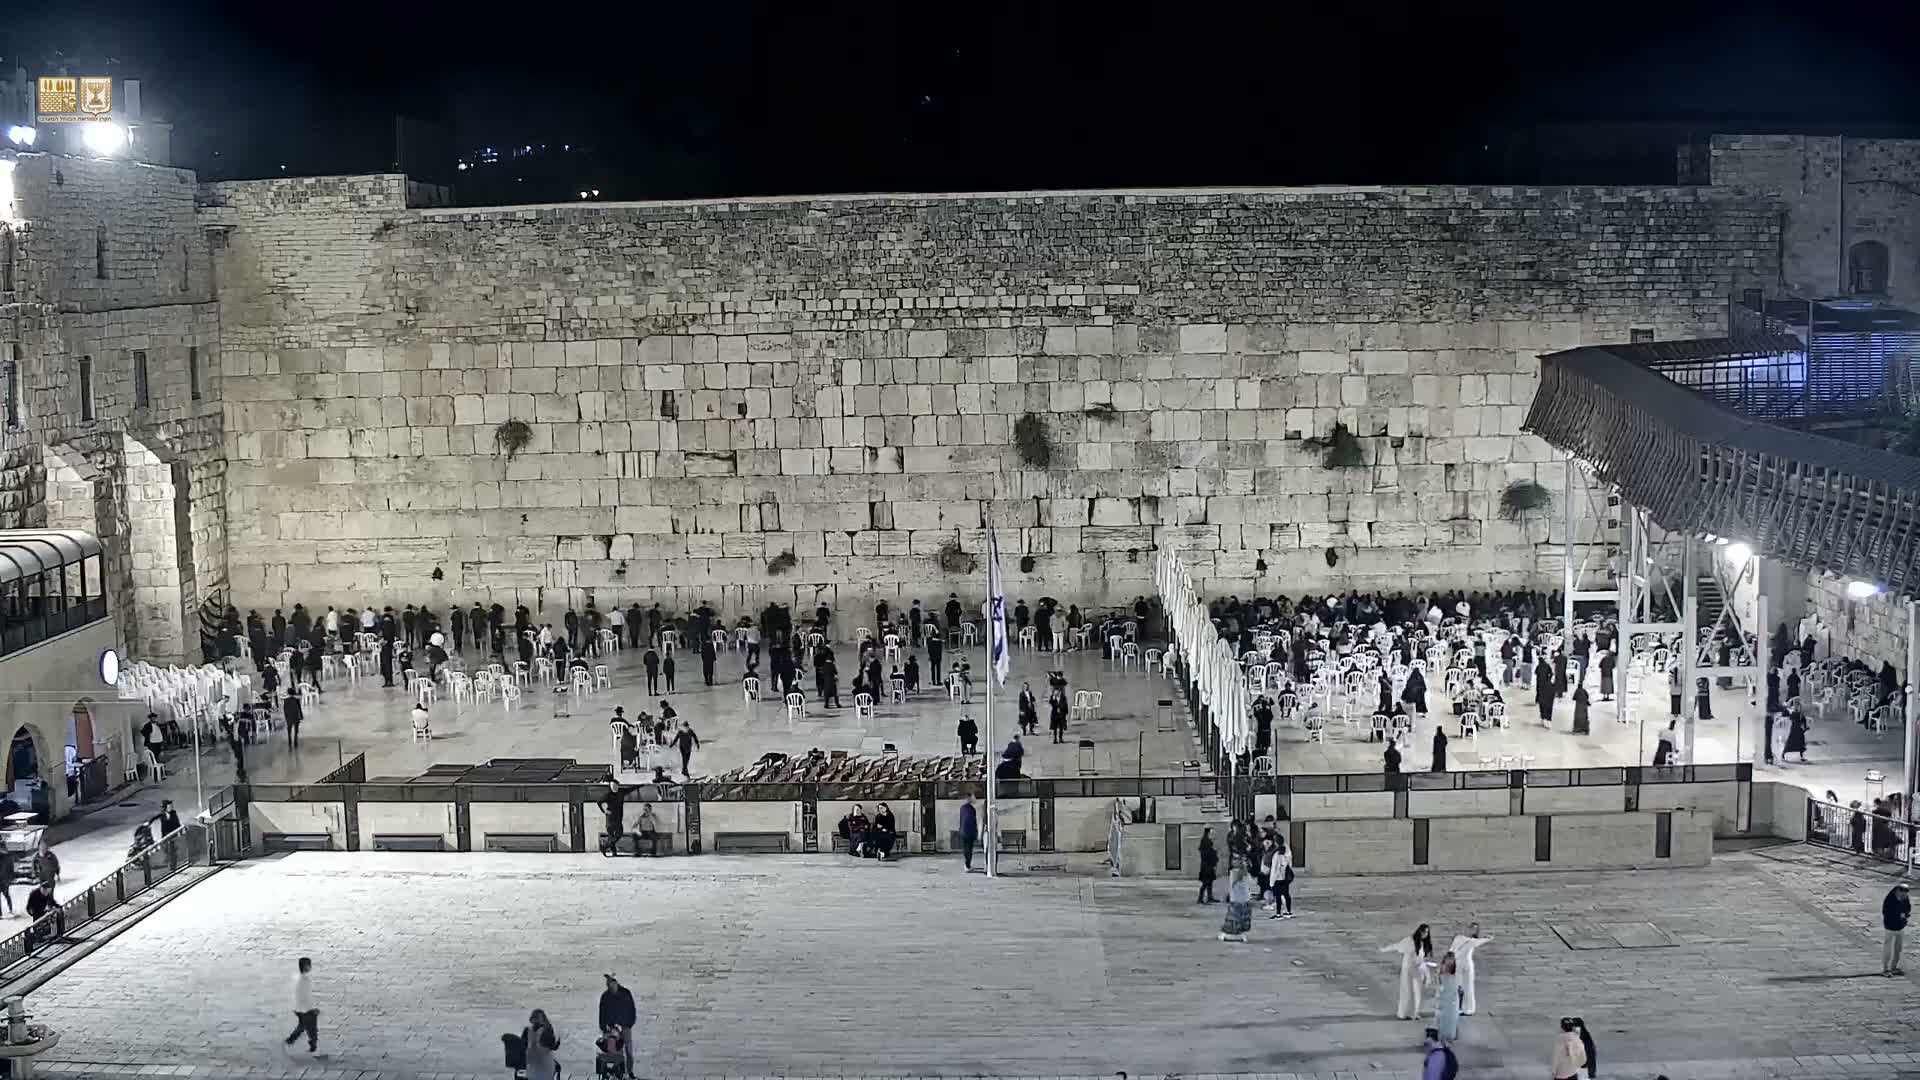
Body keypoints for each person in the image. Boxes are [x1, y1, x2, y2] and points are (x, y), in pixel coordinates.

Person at [1380, 923, 1434, 1020]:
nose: (1425, 934)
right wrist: (1384, 949)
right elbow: (1396, 946)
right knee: (1407, 991)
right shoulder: (1409, 941)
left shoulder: (1423, 944)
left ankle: (1414, 1013)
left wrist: (1426, 974)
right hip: (1408, 970)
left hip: (1418, 971)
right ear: (1419, 931)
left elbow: (1423, 960)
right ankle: (1404, 1013)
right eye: (1424, 932)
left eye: (1427, 932)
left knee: (1417, 992)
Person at [1447, 922, 1492, 1014]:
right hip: (1458, 964)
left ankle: (1468, 1009)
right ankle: (1457, 1007)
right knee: (1457, 985)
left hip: (1468, 965)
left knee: (1468, 986)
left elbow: (1481, 941)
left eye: (1475, 929)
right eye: (1472, 927)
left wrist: (1488, 938)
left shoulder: (1473, 941)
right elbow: (1451, 950)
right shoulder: (1459, 938)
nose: (1473, 930)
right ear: (1468, 928)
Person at [598, 974, 636, 1077]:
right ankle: (618, 1072)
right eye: (608, 985)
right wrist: (604, 1028)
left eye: (611, 984)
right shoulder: (605, 996)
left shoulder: (626, 993)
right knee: (615, 1051)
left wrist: (629, 1024)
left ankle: (630, 1071)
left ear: (616, 983)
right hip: (612, 1028)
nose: (609, 987)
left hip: (625, 1026)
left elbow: (632, 1010)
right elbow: (602, 1013)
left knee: (629, 1051)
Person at [284, 956, 319, 1054]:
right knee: (312, 1028)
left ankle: (290, 1040)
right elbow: (306, 996)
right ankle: (313, 1047)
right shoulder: (305, 980)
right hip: (305, 1009)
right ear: (306, 966)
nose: (311, 967)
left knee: (302, 1026)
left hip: (297, 1008)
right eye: (309, 965)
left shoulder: (296, 977)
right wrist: (312, 1009)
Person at [1217, 866, 1252, 943]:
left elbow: (1232, 887)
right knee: (1241, 919)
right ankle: (1241, 934)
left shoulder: (1235, 874)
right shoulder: (1246, 876)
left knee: (1234, 919)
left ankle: (1230, 933)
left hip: (1237, 900)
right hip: (1243, 900)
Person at [1433, 952, 1462, 1043]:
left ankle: (1451, 1036)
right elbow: (1439, 984)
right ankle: (1443, 1037)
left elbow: (1459, 987)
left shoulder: (1456, 972)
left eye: (1451, 961)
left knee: (1452, 1018)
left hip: (1453, 998)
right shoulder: (1441, 971)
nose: (1449, 963)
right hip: (1444, 997)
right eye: (1447, 961)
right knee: (1443, 1018)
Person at [524, 1009, 561, 1080]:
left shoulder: (528, 1030)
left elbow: (523, 1046)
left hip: (533, 1063)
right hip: (544, 1064)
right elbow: (553, 1047)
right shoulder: (546, 1030)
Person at [1883, 882, 1909, 976]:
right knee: (1888, 948)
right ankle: (1886, 969)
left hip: (1900, 927)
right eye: (1902, 891)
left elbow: (1908, 908)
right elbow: (1885, 912)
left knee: (1898, 948)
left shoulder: (1905, 898)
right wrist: (1898, 915)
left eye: (1906, 891)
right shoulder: (1890, 899)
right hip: (1890, 927)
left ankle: (1894, 967)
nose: (1904, 894)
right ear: (1897, 890)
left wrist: (1905, 916)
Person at [1197, 826, 1218, 903]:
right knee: (1206, 882)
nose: (1212, 834)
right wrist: (1213, 853)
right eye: (1211, 833)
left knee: (1210, 881)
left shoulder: (1207, 841)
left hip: (1208, 864)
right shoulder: (1206, 841)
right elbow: (1206, 853)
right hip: (1207, 865)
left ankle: (1209, 897)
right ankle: (1200, 898)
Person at [958, 795, 979, 871]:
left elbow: (961, 820)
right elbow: (973, 822)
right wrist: (976, 831)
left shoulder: (962, 808)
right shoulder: (972, 809)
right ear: (970, 799)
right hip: (969, 832)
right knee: (969, 849)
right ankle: (967, 865)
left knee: (966, 849)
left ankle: (967, 864)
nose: (975, 799)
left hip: (963, 831)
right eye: (973, 797)